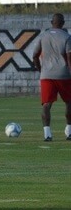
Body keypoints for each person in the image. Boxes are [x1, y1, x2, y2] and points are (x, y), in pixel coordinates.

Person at [32, 13, 71, 141]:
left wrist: (40, 70)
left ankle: (47, 134)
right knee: (69, 103)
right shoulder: (67, 37)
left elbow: (35, 55)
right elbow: (69, 58)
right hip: (64, 74)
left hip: (46, 75)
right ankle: (69, 132)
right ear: (63, 23)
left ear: (51, 22)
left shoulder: (43, 36)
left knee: (46, 105)